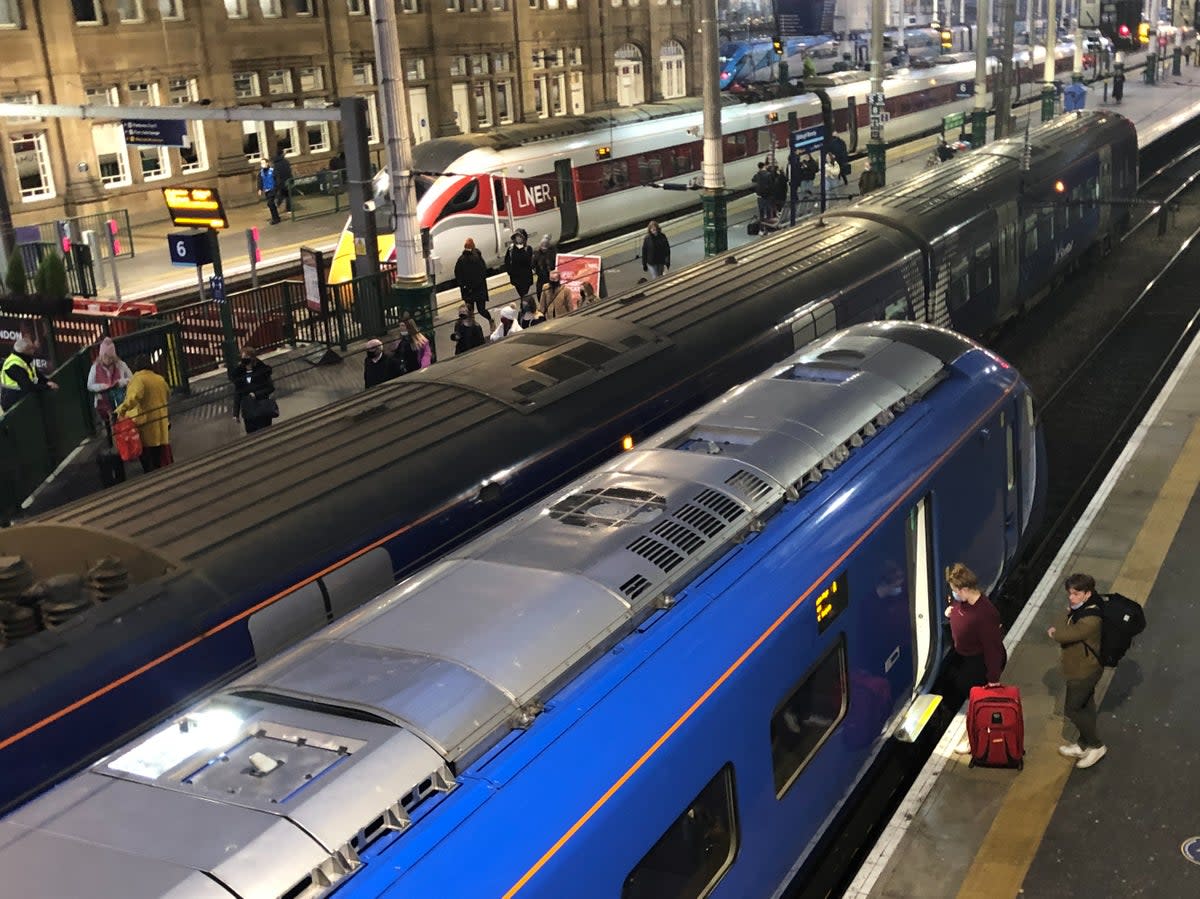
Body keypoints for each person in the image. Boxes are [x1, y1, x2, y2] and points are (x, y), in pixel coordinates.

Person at [943, 562, 1006, 755]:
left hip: (979, 663)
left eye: (954, 590)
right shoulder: (963, 602)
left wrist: (993, 679)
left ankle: (975, 741)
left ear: (963, 590)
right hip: (965, 657)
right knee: (971, 698)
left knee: (978, 704)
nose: (953, 594)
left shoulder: (985, 614)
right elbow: (959, 611)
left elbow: (992, 649)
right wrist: (951, 613)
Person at [1048, 573, 1107, 769]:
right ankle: (1084, 744)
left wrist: (1060, 623)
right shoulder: (1080, 610)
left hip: (1084, 671)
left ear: (1088, 594)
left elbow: (1061, 634)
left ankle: (1096, 746)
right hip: (1080, 667)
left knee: (1072, 709)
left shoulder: (1090, 619)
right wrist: (1066, 616)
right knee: (1086, 705)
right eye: (1070, 594)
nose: (1071, 598)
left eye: (1076, 594)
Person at [114, 354, 171, 473]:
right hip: (161, 421)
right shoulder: (159, 379)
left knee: (147, 459)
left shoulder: (138, 379)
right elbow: (168, 394)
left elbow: (133, 398)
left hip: (146, 424)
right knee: (158, 456)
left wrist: (121, 410)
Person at [1, 336, 57, 412]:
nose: (34, 349)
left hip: (24, 399)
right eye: (32, 348)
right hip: (13, 405)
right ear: (26, 350)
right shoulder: (14, 366)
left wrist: (46, 381)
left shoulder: (25, 358)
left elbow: (37, 374)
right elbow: (28, 387)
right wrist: (47, 387)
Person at [231, 345, 276, 434]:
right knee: (252, 434)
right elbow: (238, 393)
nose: (243, 359)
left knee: (265, 432)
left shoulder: (262, 371)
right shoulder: (239, 373)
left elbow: (270, 388)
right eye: (242, 357)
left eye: (245, 357)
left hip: (262, 408)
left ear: (252, 357)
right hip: (249, 411)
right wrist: (235, 413)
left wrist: (256, 394)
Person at [87, 337, 132, 422]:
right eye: (105, 357)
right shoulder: (95, 368)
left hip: (121, 399)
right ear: (101, 356)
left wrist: (122, 382)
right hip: (103, 402)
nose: (108, 360)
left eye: (110, 357)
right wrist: (102, 386)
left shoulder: (121, 365)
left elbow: (131, 378)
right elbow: (90, 385)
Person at [454, 238, 494, 327]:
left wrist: (464, 286)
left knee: (472, 311)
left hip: (469, 290)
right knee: (480, 310)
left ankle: (476, 326)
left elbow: (458, 274)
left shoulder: (462, 259)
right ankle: (486, 322)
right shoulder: (476, 258)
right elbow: (483, 272)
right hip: (478, 289)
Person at [504, 229, 535, 300]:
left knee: (524, 295)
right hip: (516, 278)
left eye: (520, 237)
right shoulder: (511, 249)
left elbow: (528, 261)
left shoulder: (528, 249)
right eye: (516, 237)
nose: (518, 238)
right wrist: (510, 272)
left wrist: (521, 249)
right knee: (522, 296)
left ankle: (525, 308)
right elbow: (507, 261)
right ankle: (525, 307)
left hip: (526, 277)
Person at [257, 159, 281, 225]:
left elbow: (277, 180)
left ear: (267, 163)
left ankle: (275, 219)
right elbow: (260, 181)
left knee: (270, 203)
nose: (262, 164)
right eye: (261, 163)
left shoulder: (272, 171)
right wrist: (260, 189)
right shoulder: (261, 173)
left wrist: (276, 188)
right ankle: (276, 217)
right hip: (267, 190)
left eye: (264, 163)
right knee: (271, 204)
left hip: (272, 189)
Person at [271, 146, 294, 213]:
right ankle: (289, 209)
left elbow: (274, 173)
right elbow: (289, 171)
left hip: (279, 182)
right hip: (286, 180)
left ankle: (278, 204)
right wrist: (291, 179)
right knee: (287, 195)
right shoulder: (286, 162)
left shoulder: (275, 163)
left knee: (282, 193)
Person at [532, 234, 555, 298]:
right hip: (542, 277)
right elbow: (532, 265)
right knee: (541, 294)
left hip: (551, 276)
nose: (544, 250)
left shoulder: (552, 251)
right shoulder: (536, 254)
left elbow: (555, 261)